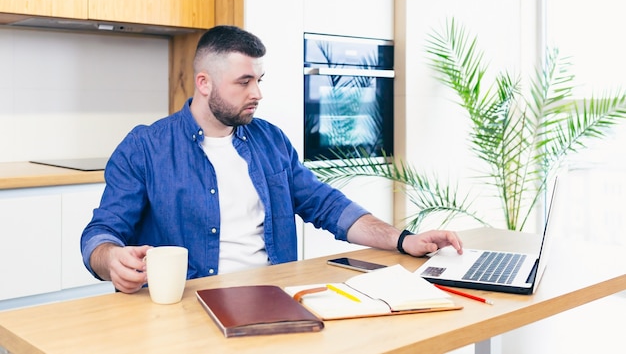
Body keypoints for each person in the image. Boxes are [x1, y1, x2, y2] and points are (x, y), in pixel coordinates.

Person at [80, 25, 463, 294]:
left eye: (260, 79)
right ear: (204, 83)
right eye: (244, 82)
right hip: (185, 306)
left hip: (274, 300)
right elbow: (101, 233)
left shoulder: (270, 141)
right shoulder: (146, 147)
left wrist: (404, 239)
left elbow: (327, 205)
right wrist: (111, 258)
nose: (258, 93)